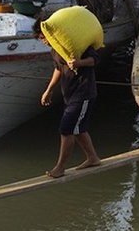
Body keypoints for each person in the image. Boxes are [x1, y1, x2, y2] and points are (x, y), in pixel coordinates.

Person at [35, 19, 102, 179]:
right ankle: (93, 158)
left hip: (83, 93)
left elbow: (95, 60)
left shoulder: (76, 44)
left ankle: (60, 167)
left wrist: (79, 62)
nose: (43, 41)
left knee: (66, 129)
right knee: (78, 129)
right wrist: (49, 90)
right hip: (70, 94)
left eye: (43, 37)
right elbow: (58, 69)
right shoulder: (55, 50)